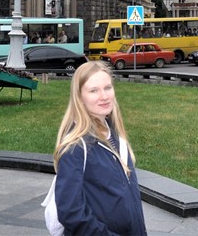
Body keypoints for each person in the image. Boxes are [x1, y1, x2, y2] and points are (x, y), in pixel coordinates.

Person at [52, 61, 147, 235]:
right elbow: (71, 212)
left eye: (107, 88)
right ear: (80, 97)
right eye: (93, 90)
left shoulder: (114, 134)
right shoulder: (76, 147)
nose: (104, 96)